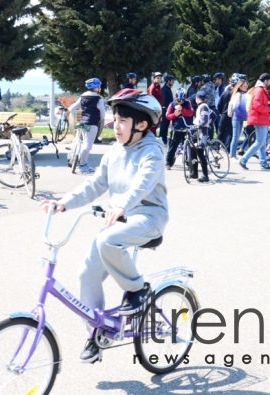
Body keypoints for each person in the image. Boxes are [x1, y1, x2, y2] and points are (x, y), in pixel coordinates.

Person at [38, 89, 167, 363]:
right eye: (114, 118)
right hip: (119, 218)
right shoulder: (115, 151)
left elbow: (142, 184)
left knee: (107, 241)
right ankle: (97, 333)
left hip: (148, 216)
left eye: (122, 120)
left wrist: (122, 205)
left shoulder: (153, 152)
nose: (114, 124)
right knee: (86, 274)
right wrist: (64, 203)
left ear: (141, 125)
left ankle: (137, 290)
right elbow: (95, 184)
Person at [67, 78, 105, 173]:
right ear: (95, 88)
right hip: (92, 124)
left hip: (82, 123)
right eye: (99, 86)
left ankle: (74, 157)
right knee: (87, 145)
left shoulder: (82, 97)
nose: (100, 88)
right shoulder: (98, 99)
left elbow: (72, 108)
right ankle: (83, 165)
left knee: (82, 143)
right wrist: (99, 119)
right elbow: (103, 114)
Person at [239, 73, 270, 171]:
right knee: (259, 142)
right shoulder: (259, 90)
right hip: (260, 119)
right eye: (269, 80)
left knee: (262, 143)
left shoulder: (260, 89)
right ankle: (243, 159)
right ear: (265, 81)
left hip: (261, 119)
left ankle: (263, 163)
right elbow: (257, 105)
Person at [165, 88, 193, 170]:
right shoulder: (172, 104)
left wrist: (182, 110)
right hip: (176, 129)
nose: (180, 102)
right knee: (172, 146)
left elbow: (191, 113)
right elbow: (167, 116)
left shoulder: (188, 103)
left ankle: (189, 162)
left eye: (182, 101)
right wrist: (174, 114)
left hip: (186, 127)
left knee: (189, 146)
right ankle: (168, 162)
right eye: (178, 101)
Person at [188, 90, 214, 183]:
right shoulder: (204, 106)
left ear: (197, 98)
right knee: (193, 149)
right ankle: (194, 172)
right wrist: (209, 124)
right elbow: (213, 116)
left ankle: (205, 175)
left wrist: (200, 125)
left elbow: (203, 120)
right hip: (198, 131)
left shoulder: (203, 107)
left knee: (200, 152)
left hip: (201, 132)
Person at [228, 76, 249, 160]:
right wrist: (244, 115)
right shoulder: (238, 94)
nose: (246, 87)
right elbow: (235, 108)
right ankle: (232, 154)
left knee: (237, 137)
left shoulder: (243, 94)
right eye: (244, 86)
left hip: (240, 118)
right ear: (240, 87)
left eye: (247, 85)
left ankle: (233, 154)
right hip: (236, 118)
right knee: (235, 137)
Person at [216, 73, 235, 150]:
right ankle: (228, 147)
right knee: (230, 131)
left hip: (224, 113)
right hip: (232, 114)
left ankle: (217, 146)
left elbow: (219, 104)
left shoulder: (225, 91)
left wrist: (220, 112)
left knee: (221, 131)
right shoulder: (235, 93)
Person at [159, 74, 175, 144]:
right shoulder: (164, 90)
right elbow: (164, 102)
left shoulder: (168, 89)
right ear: (168, 81)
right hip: (165, 110)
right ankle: (162, 140)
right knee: (164, 126)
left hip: (169, 110)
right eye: (172, 81)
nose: (173, 82)